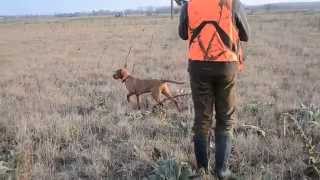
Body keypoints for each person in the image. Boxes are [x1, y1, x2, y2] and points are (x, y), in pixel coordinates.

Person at [178, 0, 250, 179]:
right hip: (226, 67)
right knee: (225, 119)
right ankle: (222, 172)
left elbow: (182, 34)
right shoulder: (234, 2)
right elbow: (246, 35)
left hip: (198, 67)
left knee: (201, 119)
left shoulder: (190, 4)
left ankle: (202, 171)